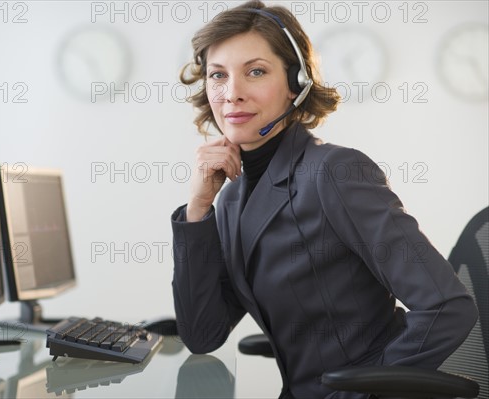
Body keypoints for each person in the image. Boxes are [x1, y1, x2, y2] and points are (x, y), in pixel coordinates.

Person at [169, 1, 479, 398]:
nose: (232, 94)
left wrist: (360, 392)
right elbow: (203, 335)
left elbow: (448, 308)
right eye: (218, 75)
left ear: (296, 83)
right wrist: (197, 212)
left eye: (256, 71)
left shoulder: (334, 173)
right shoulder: (230, 201)